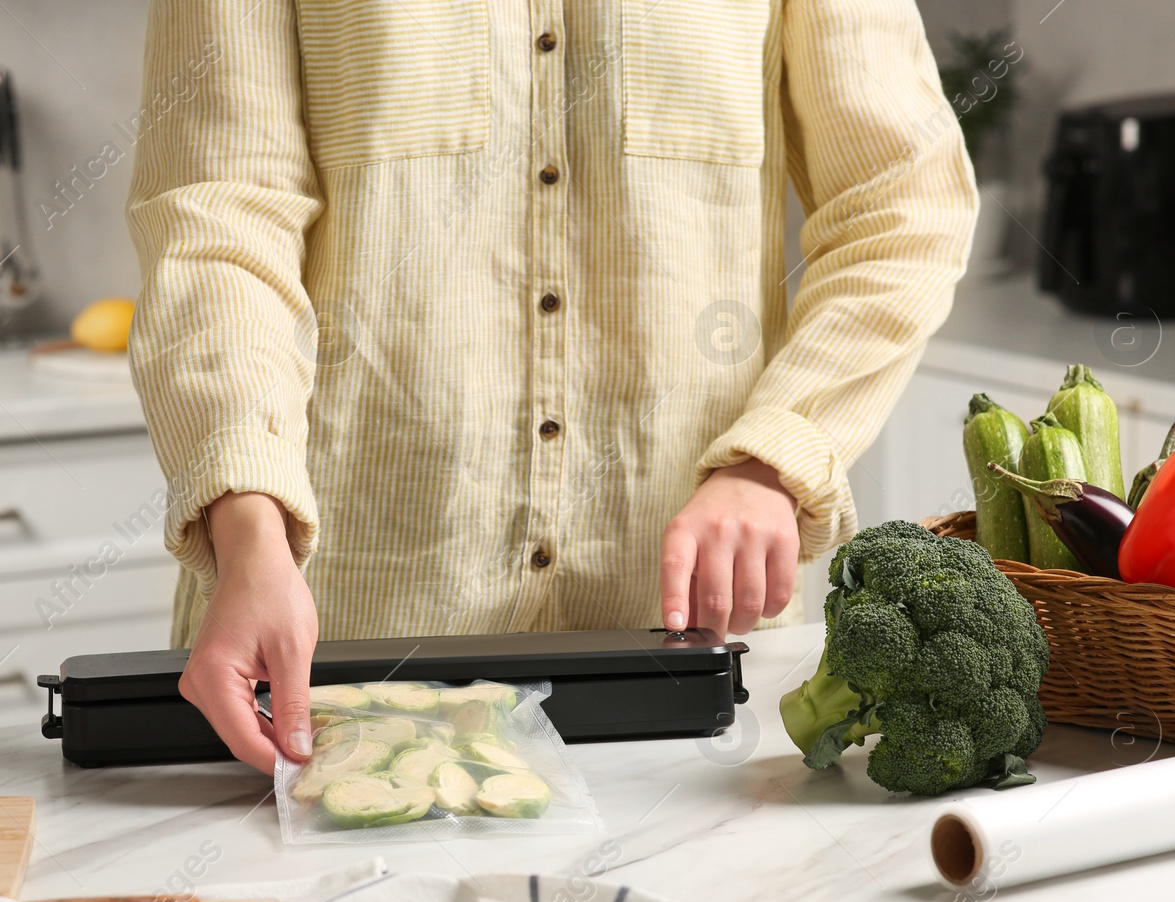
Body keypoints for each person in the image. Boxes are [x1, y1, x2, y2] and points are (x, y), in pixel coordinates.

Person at [126, 0, 977, 773]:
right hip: (331, 673)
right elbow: (216, 222)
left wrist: (776, 453)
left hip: (690, 683)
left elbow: (901, 203)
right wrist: (245, 525)